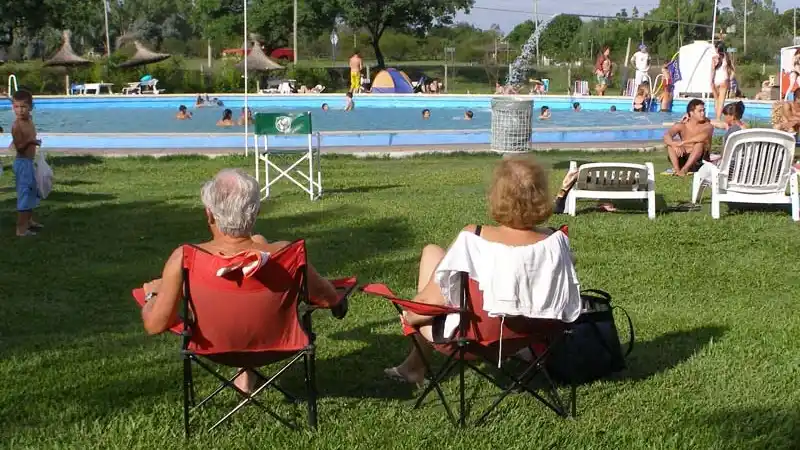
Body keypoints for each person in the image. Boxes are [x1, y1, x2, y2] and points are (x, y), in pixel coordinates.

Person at [139, 169, 348, 393]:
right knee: (259, 242)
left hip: (216, 349)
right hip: (277, 346)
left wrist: (153, 294)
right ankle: (246, 372)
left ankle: (244, 372)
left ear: (209, 214)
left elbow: (155, 324)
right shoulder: (286, 255)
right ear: (256, 211)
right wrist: (338, 302)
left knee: (256, 246)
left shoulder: (185, 258)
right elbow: (328, 298)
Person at [383, 157, 581, 385]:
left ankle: (414, 367)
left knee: (430, 260)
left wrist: (409, 317)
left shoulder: (474, 239)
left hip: (470, 340)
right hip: (534, 334)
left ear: (497, 196)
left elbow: (429, 304)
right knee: (433, 252)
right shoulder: (555, 241)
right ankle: (413, 366)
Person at [10, 90, 43, 237]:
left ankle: (29, 221)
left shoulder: (29, 120)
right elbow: (19, 148)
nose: (20, 110)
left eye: (23, 107)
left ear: (30, 107)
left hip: (29, 162)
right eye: (16, 107)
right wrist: (31, 141)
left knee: (31, 192)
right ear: (12, 108)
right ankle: (21, 229)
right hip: (22, 163)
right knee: (24, 194)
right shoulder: (17, 126)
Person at [662, 99, 713, 176]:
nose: (703, 113)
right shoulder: (681, 125)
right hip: (684, 157)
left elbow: (703, 136)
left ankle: (685, 169)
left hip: (699, 160)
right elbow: (667, 135)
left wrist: (683, 143)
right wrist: (673, 144)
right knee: (671, 145)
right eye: (700, 111)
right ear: (691, 113)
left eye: (704, 110)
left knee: (699, 144)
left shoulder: (707, 126)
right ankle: (677, 170)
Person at [710, 42, 734, 121]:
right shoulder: (727, 57)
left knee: (716, 100)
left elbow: (712, 71)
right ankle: (718, 118)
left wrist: (711, 81)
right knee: (721, 101)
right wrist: (730, 79)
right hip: (724, 80)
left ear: (717, 48)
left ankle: (717, 117)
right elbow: (733, 70)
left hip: (716, 80)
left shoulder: (714, 58)